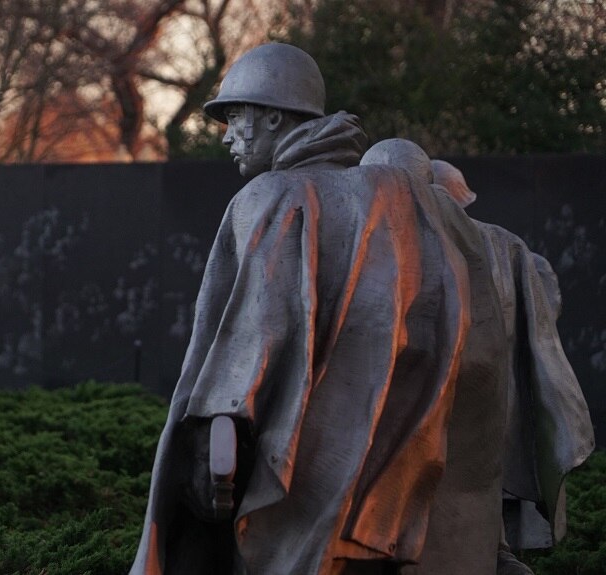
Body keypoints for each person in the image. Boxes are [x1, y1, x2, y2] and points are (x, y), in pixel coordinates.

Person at [130, 43, 508, 575]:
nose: (228, 135)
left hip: (298, 492)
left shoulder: (272, 197)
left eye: (237, 117)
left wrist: (214, 438)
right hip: (390, 502)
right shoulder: (402, 203)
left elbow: (252, 337)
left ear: (274, 118)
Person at [430, 157, 594, 575]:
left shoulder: (503, 249)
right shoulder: (503, 246)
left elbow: (542, 318)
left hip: (478, 398)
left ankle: (498, 551)